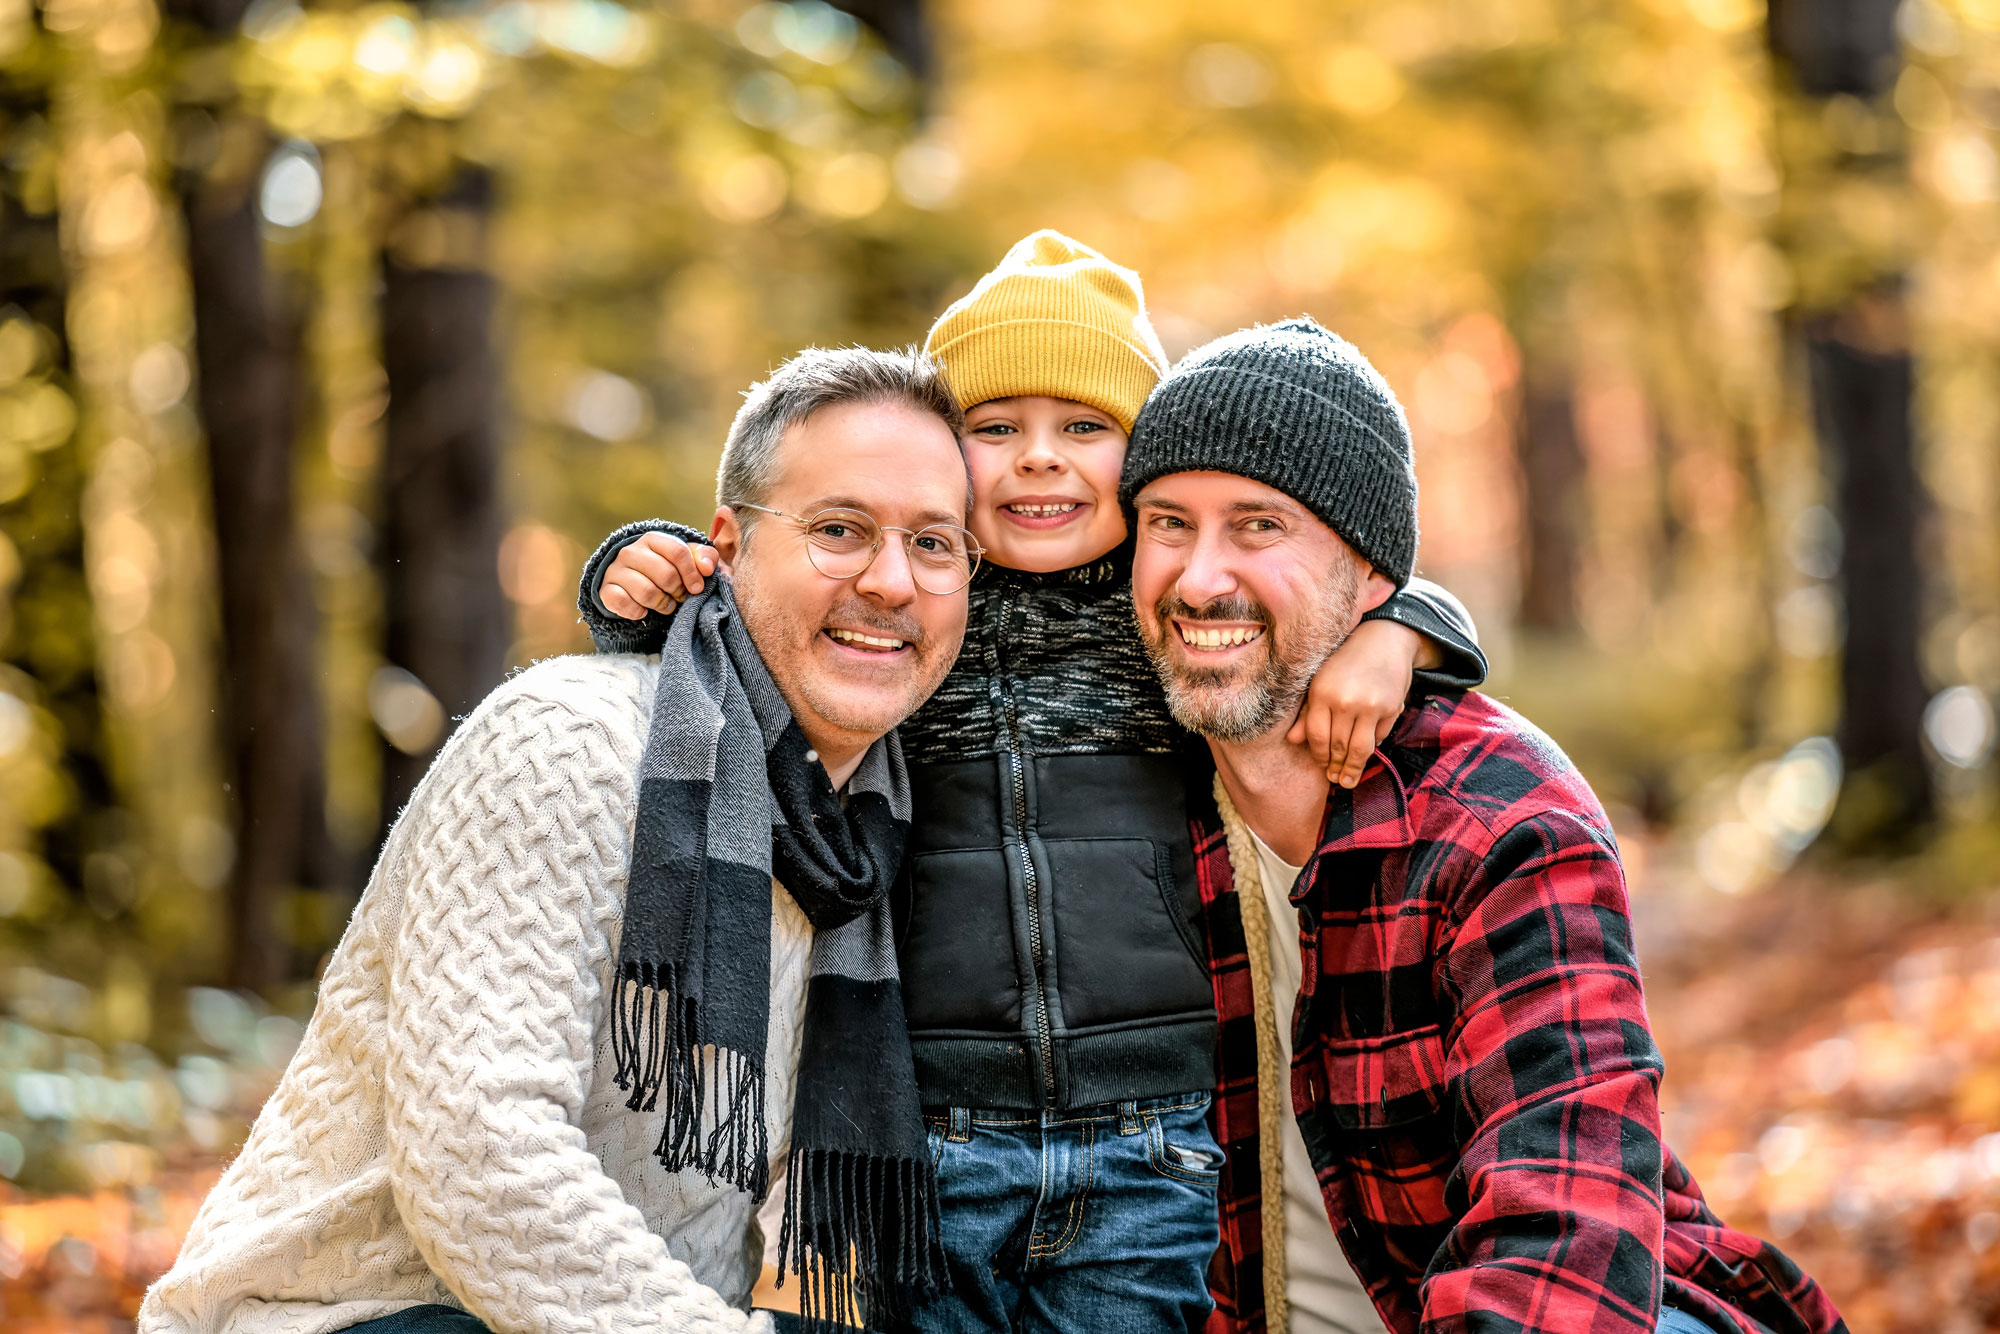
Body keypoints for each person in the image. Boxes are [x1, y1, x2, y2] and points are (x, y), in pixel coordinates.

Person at [575, 233, 1488, 1333]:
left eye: (1084, 428)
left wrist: (1397, 631)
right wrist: (638, 565)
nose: (1038, 458)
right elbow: (760, 609)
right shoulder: (909, 615)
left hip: (1150, 1138)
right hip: (937, 1132)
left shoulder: (1164, 617)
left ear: (1139, 457)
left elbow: (1327, 594)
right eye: (995, 429)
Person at [139, 347, 977, 1334]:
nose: (889, 580)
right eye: (838, 529)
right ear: (728, 545)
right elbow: (478, 1153)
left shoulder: (863, 841)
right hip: (346, 1311)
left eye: (933, 543)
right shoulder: (566, 741)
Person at [1119, 317, 1848, 1334]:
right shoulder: (1116, 796)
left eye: (1256, 524)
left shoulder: (1501, 816)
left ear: (1372, 576)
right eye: (1165, 522)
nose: (1197, 578)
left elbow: (1563, 1213)